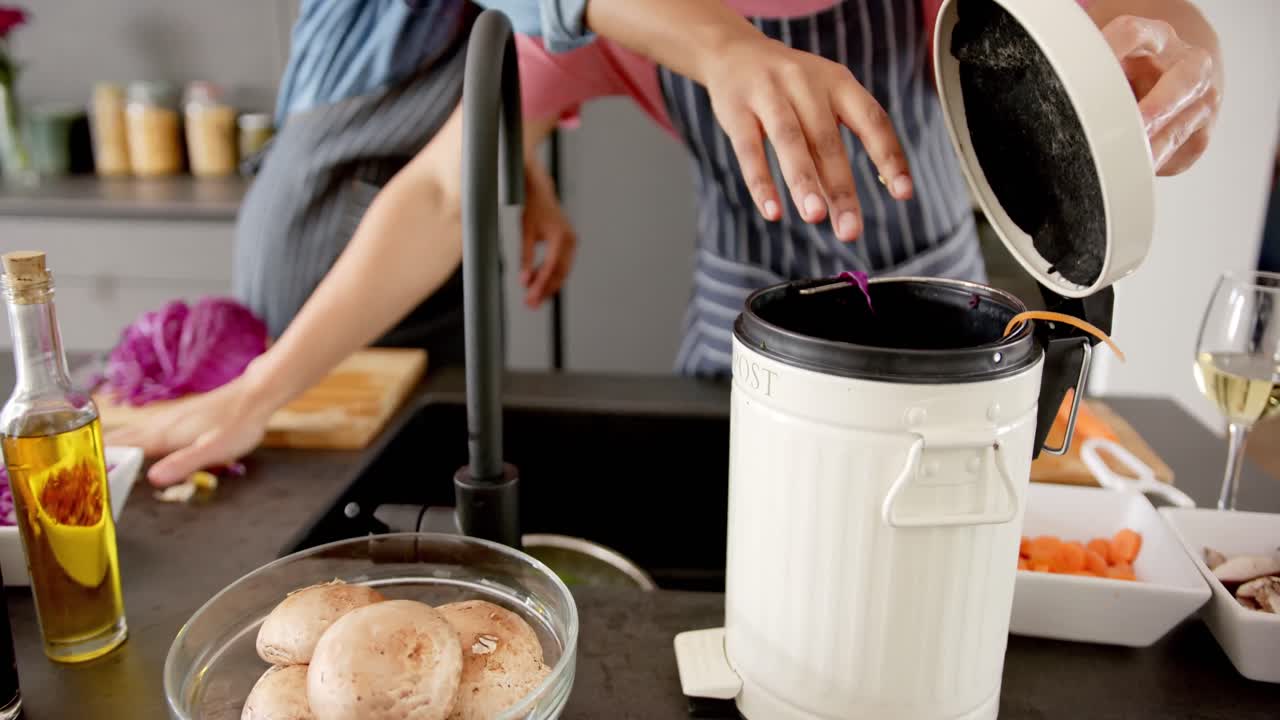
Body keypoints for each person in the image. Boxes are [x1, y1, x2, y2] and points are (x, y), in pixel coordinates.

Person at [110, 0, 1223, 485]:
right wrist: (257, 392)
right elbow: (442, 195)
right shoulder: (614, 20)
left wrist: (1185, 52)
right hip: (732, 354)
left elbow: (1131, 16)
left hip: (941, 339)